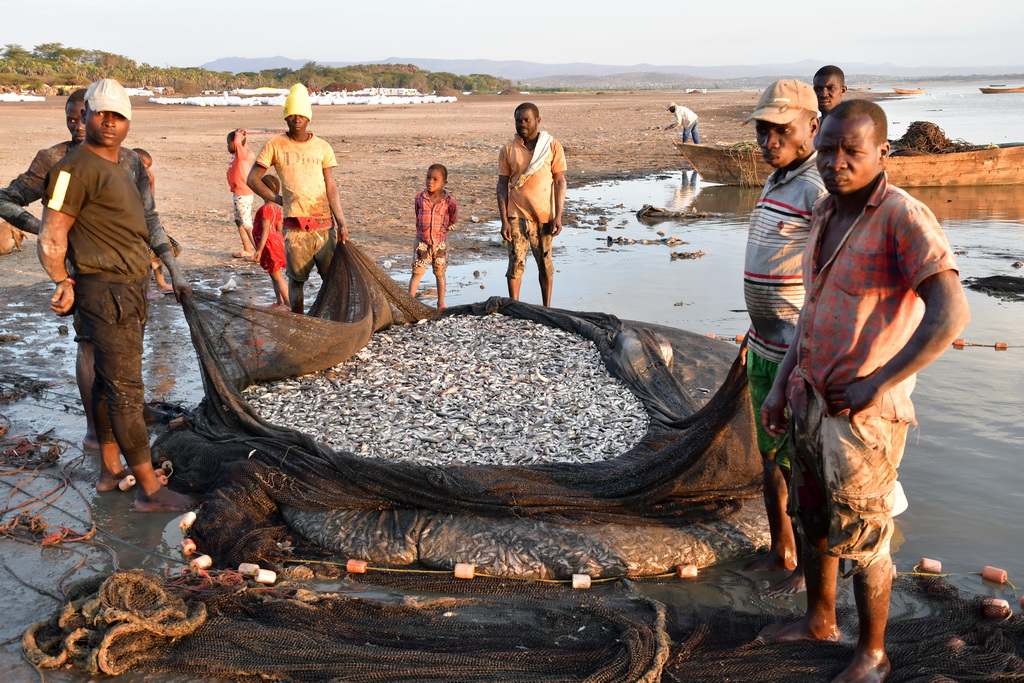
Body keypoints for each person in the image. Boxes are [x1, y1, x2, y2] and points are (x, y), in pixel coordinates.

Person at [759, 99, 970, 682]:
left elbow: (951, 315)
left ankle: (872, 656)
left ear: (882, 152)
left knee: (866, 533)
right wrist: (780, 387)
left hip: (864, 417)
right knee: (813, 517)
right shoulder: (826, 213)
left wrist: (879, 381)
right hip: (809, 400)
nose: (836, 162)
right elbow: (809, 315)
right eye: (827, 149)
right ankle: (820, 621)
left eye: (852, 151)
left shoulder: (903, 217)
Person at [38, 78, 196, 511]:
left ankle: (111, 471)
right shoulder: (75, 168)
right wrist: (61, 281)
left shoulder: (120, 166)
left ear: (128, 122)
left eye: (118, 115)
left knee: (109, 387)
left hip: (126, 288)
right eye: (101, 113)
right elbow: (53, 233)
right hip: (105, 291)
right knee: (127, 392)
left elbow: (148, 222)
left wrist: (172, 269)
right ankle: (150, 491)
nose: (109, 122)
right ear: (84, 115)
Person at [0, 88, 163, 449]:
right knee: (90, 344)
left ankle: (133, 409)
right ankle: (96, 428)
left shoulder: (129, 160)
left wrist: (164, 253)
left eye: (81, 117)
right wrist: (42, 229)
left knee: (126, 342)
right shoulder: (55, 160)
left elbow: (146, 213)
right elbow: (6, 199)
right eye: (71, 119)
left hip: (130, 269)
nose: (77, 125)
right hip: (85, 270)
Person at [739, 80, 825, 596]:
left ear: (812, 127)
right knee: (770, 457)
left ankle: (808, 570)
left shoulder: (817, 186)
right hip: (763, 346)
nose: (769, 142)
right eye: (763, 131)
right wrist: (753, 330)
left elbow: (825, 278)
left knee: (803, 464)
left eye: (781, 131)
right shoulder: (778, 180)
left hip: (797, 354)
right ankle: (781, 548)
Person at [248, 84, 349, 314]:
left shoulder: (322, 147)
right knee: (297, 281)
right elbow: (252, 179)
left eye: (301, 114)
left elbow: (331, 187)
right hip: (295, 229)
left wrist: (341, 222)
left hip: (324, 226)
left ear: (309, 117)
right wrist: (279, 199)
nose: (296, 119)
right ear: (285, 116)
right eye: (292, 114)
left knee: (332, 280)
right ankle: (299, 323)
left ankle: (335, 320)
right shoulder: (275, 145)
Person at [496, 102, 566, 307]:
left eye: (527, 120)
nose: (522, 124)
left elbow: (560, 181)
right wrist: (504, 221)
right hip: (516, 215)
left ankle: (547, 308)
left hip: (544, 215)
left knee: (545, 265)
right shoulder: (508, 149)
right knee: (515, 264)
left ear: (538, 120)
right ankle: (514, 308)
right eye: (519, 120)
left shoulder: (552, 146)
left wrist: (558, 216)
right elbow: (501, 186)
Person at [408, 163, 459, 309]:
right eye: (428, 178)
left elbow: (453, 217)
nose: (430, 182)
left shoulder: (449, 201)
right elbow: (418, 214)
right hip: (422, 242)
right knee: (417, 272)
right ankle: (409, 303)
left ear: (444, 183)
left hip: (440, 242)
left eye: (435, 179)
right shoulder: (420, 198)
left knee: (440, 273)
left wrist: (444, 227)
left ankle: (441, 303)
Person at [133, 147, 180, 297]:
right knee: (147, 261)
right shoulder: (129, 181)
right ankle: (145, 290)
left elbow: (150, 203)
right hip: (138, 227)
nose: (148, 171)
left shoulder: (144, 180)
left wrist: (151, 184)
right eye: (145, 168)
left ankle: (161, 283)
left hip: (150, 225)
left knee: (160, 254)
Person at [250, 174, 289, 309]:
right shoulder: (277, 208)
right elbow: (279, 229)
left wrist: (260, 250)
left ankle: (289, 304)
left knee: (277, 277)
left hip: (269, 245)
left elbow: (266, 229)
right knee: (274, 275)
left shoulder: (265, 209)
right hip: (277, 242)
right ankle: (280, 302)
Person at [226, 128, 256, 258]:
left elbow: (239, 145)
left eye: (229, 143)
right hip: (237, 193)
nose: (228, 146)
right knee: (239, 221)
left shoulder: (243, 156)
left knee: (247, 223)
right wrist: (243, 138)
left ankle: (258, 252)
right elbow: (242, 145)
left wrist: (238, 135)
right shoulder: (240, 155)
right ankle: (247, 249)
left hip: (243, 194)